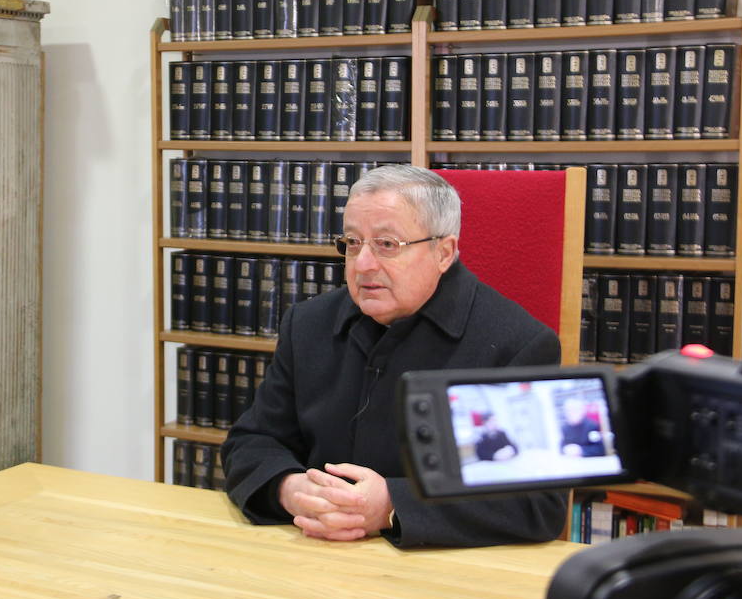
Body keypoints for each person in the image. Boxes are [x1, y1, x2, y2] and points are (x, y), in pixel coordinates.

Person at [221, 165, 565, 547]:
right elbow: (252, 441)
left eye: (387, 244)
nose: (363, 264)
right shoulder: (308, 324)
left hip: (440, 577)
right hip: (313, 550)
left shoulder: (517, 344)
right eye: (353, 242)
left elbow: (536, 504)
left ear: (444, 252)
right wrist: (291, 488)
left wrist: (391, 505)